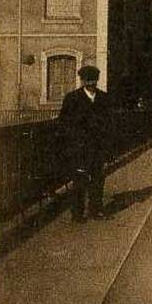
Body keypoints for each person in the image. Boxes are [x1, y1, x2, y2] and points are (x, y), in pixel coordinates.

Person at [59, 65, 112, 222]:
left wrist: (107, 146)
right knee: (80, 181)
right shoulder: (72, 99)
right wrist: (72, 144)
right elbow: (64, 123)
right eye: (87, 80)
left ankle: (96, 210)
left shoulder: (104, 98)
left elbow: (110, 123)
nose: (91, 83)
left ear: (97, 80)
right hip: (79, 148)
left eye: (93, 80)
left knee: (97, 179)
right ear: (82, 81)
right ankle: (77, 213)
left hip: (98, 147)